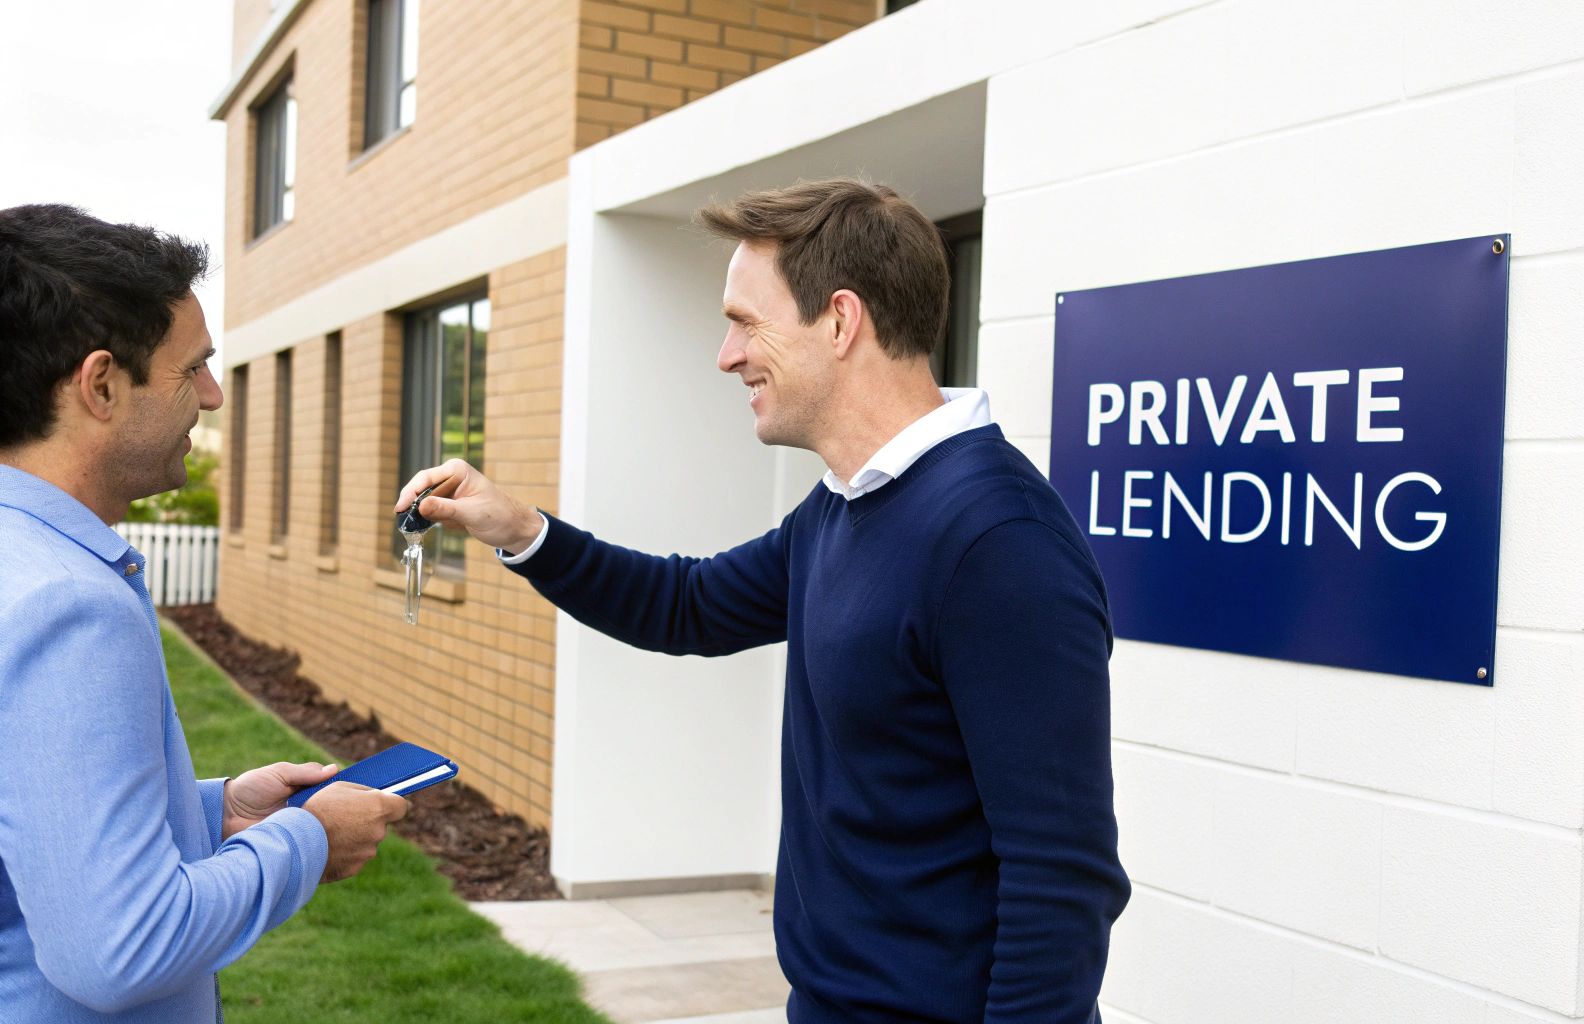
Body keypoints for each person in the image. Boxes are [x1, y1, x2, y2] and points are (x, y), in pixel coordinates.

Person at [398, 178, 1130, 1022]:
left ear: (841, 320)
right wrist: (519, 527)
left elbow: (1061, 872)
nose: (726, 355)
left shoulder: (996, 541)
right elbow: (691, 604)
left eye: (746, 322)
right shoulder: (845, 506)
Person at [0, 204, 410, 1022]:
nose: (215, 398)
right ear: (102, 384)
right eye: (193, 370)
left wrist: (211, 810)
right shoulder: (68, 605)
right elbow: (119, 950)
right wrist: (309, 839)